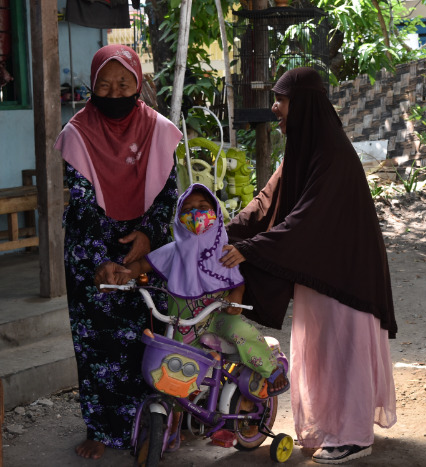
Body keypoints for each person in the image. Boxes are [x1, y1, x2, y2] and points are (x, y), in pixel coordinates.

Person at [220, 67, 398, 464]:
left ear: (303, 105)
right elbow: (266, 203)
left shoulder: (331, 151)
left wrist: (252, 248)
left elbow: (307, 220)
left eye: (281, 100)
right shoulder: (302, 148)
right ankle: (334, 426)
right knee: (321, 352)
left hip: (344, 275)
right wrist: (219, 234)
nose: (275, 108)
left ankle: (353, 435)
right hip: (320, 273)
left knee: (342, 353)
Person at [54, 44, 183, 460]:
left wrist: (147, 236)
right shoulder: (77, 133)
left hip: (144, 250)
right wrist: (100, 261)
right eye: (104, 87)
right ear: (92, 87)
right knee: (97, 343)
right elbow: (81, 202)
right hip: (95, 247)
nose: (114, 94)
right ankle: (102, 428)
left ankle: (153, 423)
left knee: (149, 336)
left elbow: (167, 194)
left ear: (138, 84)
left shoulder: (159, 130)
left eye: (123, 84)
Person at [98, 183, 289, 398]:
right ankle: (178, 415)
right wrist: (126, 272)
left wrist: (236, 297)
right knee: (173, 371)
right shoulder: (174, 251)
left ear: (215, 212)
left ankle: (272, 370)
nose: (195, 213)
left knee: (245, 333)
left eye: (202, 206)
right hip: (182, 322)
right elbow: (143, 265)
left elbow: (236, 281)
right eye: (187, 209)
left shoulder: (224, 251)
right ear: (179, 216)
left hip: (218, 317)